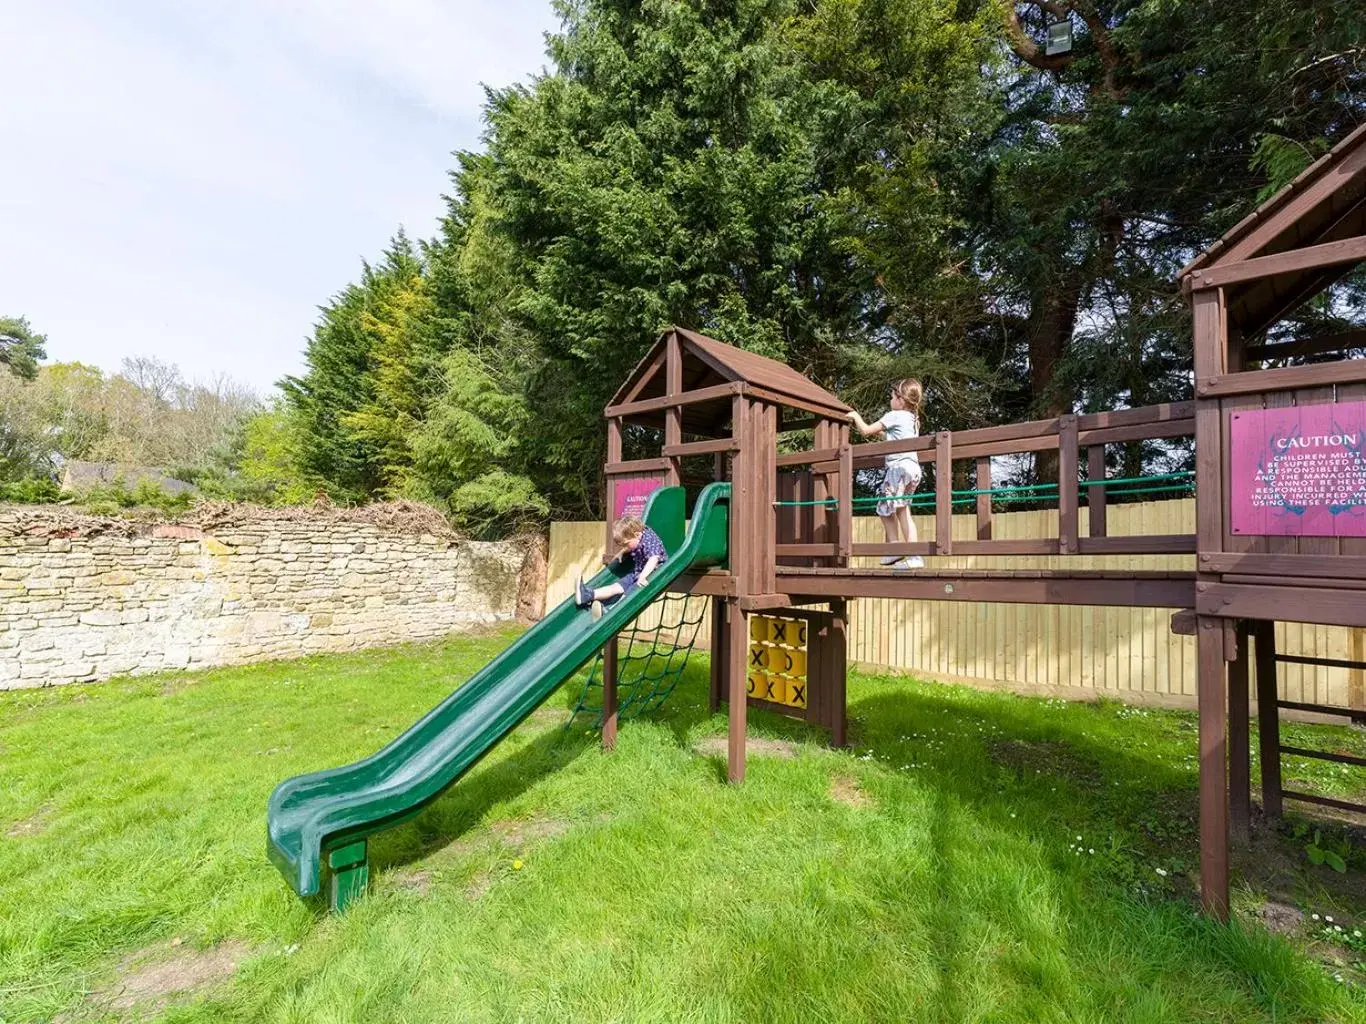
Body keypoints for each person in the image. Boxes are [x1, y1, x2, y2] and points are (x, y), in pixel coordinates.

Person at [848, 378, 926, 569]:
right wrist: (883, 433)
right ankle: (914, 555)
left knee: (884, 508)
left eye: (892, 397)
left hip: (898, 469)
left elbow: (866, 430)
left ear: (900, 400)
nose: (890, 400)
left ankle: (895, 548)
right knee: (903, 510)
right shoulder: (913, 419)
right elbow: (893, 436)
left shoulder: (894, 414)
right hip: (913, 470)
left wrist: (855, 416)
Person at [575, 516, 668, 620]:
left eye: (625, 544)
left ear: (637, 535)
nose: (624, 547)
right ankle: (588, 595)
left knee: (628, 594)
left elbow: (654, 558)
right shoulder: (636, 535)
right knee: (617, 586)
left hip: (652, 574)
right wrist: (623, 551)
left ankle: (610, 613)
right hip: (637, 571)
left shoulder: (650, 541)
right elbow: (633, 543)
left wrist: (643, 576)